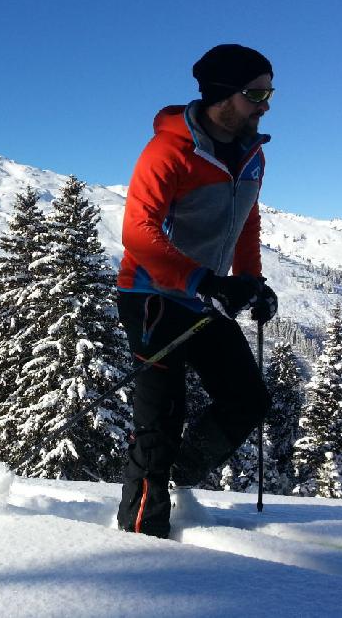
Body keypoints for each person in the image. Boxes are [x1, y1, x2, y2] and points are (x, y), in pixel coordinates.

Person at [115, 44, 279, 538]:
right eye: (256, 93)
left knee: (247, 399)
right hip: (152, 298)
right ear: (221, 95)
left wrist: (252, 282)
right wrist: (201, 281)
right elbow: (138, 233)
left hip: (204, 297)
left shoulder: (253, 155)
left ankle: (179, 478)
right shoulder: (169, 151)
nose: (266, 104)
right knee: (160, 419)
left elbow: (246, 219)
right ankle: (143, 537)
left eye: (270, 93)